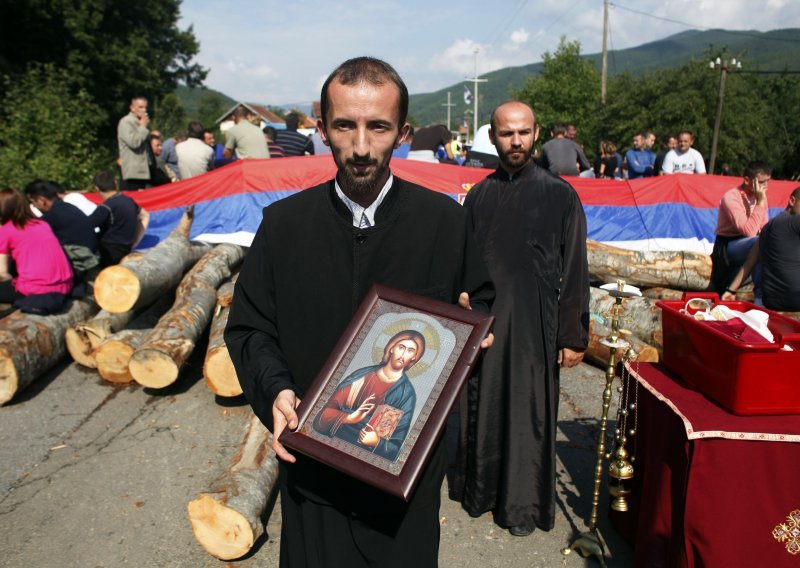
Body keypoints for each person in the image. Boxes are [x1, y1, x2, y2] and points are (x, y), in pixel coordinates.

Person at [224, 56, 494, 567]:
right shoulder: (284, 227)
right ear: (322, 129)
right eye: (346, 126)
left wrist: (474, 331)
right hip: (313, 471)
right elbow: (250, 329)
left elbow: (478, 302)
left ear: (403, 132)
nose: (362, 147)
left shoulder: (444, 224)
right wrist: (276, 390)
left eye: (379, 126)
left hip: (402, 483)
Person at [453, 100, 589, 537]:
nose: (516, 141)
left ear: (536, 134)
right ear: (492, 137)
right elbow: (463, 263)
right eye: (506, 133)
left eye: (523, 132)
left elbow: (576, 270)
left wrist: (573, 335)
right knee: (485, 406)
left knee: (528, 413)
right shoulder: (479, 196)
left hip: (535, 324)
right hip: (488, 323)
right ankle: (482, 494)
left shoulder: (560, 194)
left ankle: (523, 507)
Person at [313, 330, 425, 461]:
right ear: (392, 348)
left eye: (410, 351)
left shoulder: (406, 394)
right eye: (401, 348)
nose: (403, 354)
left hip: (363, 457)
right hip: (331, 446)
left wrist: (377, 442)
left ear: (414, 358)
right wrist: (349, 418)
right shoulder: (362, 375)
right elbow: (322, 415)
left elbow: (396, 449)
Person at [723, 187, 800, 311]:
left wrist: (730, 290)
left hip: (770, 301)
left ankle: (758, 300)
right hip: (795, 299)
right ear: (792, 201)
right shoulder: (795, 222)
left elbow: (749, 263)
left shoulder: (766, 229)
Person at [0, 188, 73, 305]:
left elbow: (2, 273)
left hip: (37, 289)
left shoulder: (7, 230)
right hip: (65, 286)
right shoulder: (43, 224)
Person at [709, 161, 771, 295]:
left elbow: (764, 228)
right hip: (727, 246)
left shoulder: (761, 197)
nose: (764, 187)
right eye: (761, 182)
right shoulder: (731, 197)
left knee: (767, 242)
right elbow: (749, 232)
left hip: (751, 243)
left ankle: (762, 296)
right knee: (759, 242)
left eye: (767, 182)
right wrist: (759, 203)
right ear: (747, 180)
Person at [23, 180, 100, 276]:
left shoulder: (52, 216)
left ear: (41, 200)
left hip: (81, 267)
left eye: (33, 202)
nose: (33, 206)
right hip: (93, 259)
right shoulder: (68, 208)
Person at [89, 171, 150, 267]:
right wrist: (135, 242)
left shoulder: (106, 207)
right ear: (116, 183)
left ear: (96, 188)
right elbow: (145, 216)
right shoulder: (128, 201)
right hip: (126, 250)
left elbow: (87, 226)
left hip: (108, 253)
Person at [117, 96, 151, 190]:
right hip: (132, 172)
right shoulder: (126, 122)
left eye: (145, 107)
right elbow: (134, 142)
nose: (144, 110)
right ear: (132, 108)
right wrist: (143, 127)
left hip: (142, 172)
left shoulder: (140, 122)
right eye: (140, 107)